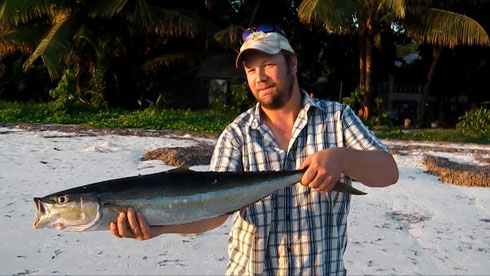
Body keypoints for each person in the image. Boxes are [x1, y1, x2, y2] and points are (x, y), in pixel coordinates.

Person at [110, 24, 399, 275]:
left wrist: (343, 157)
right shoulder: (236, 135)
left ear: (293, 64)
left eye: (269, 65)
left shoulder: (337, 119)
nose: (259, 77)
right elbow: (215, 211)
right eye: (251, 70)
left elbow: (388, 172)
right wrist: (159, 227)